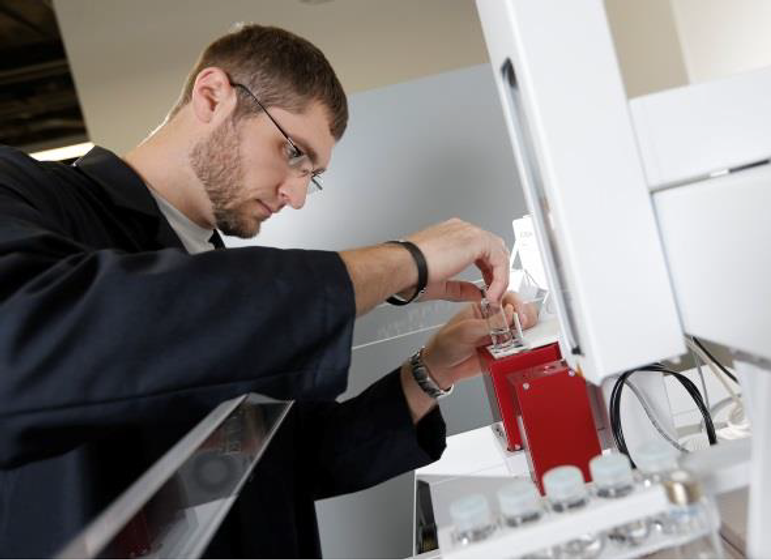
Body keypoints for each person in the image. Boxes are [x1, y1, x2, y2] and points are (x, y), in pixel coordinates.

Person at [0, 23, 537, 557]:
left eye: (312, 174)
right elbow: (26, 345)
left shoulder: (219, 270)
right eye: (293, 152)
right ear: (213, 96)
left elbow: (285, 463)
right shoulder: (30, 194)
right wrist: (404, 261)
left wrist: (432, 370)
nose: (296, 196)